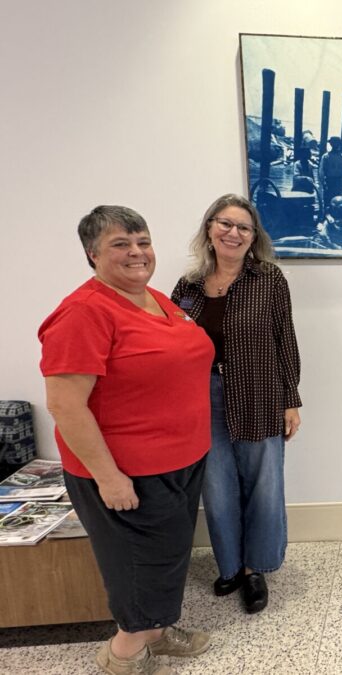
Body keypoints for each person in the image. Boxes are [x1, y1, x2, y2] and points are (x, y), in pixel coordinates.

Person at [39, 206, 214, 675]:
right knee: (137, 566)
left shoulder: (156, 299)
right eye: (121, 244)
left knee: (165, 559)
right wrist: (109, 476)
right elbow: (65, 405)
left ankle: (156, 632)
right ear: (92, 254)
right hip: (127, 471)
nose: (137, 252)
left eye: (143, 240)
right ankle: (125, 654)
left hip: (179, 462)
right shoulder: (83, 312)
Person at [171, 194, 301, 616]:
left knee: (263, 483)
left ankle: (254, 567)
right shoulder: (187, 286)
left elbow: (285, 341)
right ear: (209, 229)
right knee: (218, 485)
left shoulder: (270, 279)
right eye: (225, 223)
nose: (233, 232)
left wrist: (291, 400)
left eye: (243, 227)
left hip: (261, 391)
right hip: (200, 396)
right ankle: (229, 565)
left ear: (253, 236)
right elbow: (170, 346)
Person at [318, 136, 342, 208]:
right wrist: (323, 183)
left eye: (336, 144)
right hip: (329, 181)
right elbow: (321, 171)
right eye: (333, 144)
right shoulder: (326, 156)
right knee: (327, 201)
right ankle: (325, 215)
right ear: (331, 145)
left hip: (339, 182)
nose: (335, 145)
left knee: (338, 201)